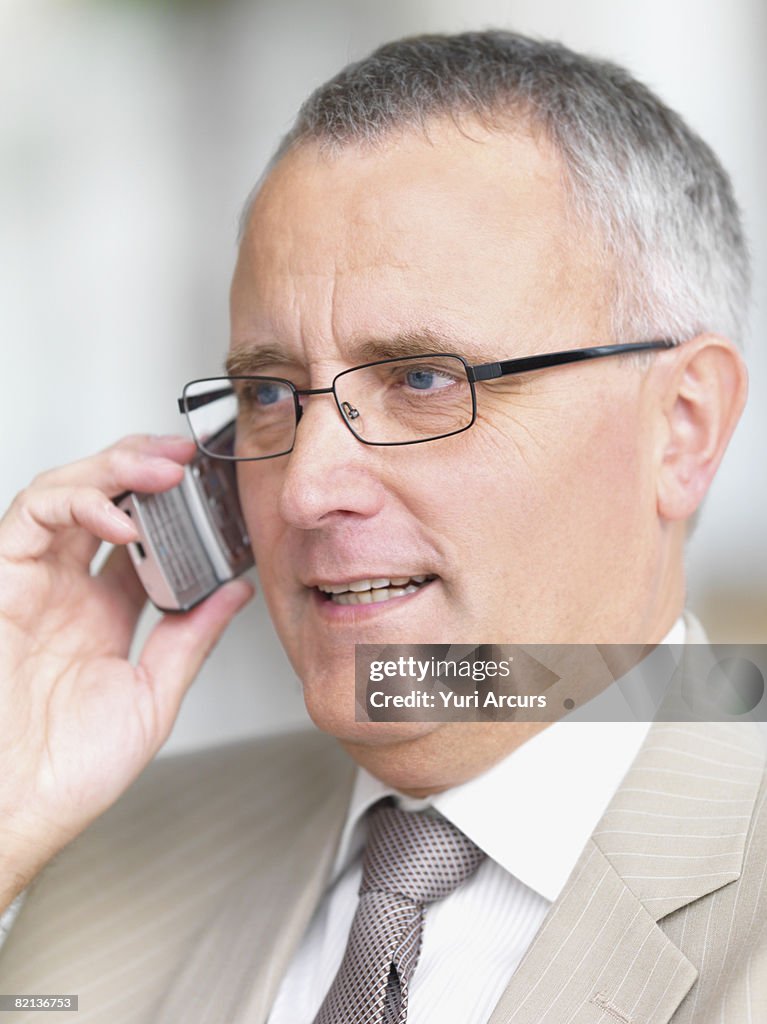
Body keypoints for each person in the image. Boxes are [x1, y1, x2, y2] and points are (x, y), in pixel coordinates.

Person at [0, 29, 764, 1024]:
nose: (308, 488)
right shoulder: (88, 854)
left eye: (420, 379)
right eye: (271, 392)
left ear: (680, 428)